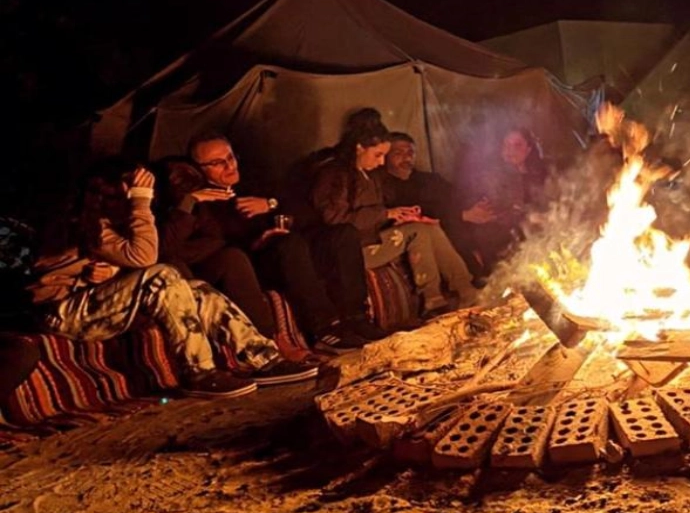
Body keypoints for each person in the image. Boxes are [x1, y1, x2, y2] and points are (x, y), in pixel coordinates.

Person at [26, 159, 316, 398]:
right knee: (163, 275)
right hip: (64, 311)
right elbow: (145, 258)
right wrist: (140, 202)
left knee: (197, 290)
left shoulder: (115, 223)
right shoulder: (89, 225)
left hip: (98, 300)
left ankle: (263, 358)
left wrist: (114, 271)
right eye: (131, 186)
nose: (141, 192)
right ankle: (199, 371)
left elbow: (136, 260)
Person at [162, 132, 385, 353]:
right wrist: (256, 241)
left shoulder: (252, 180)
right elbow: (200, 246)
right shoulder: (197, 200)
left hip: (292, 252)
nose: (229, 166)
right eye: (217, 163)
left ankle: (356, 318)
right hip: (256, 263)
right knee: (288, 244)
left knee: (342, 234)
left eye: (230, 157)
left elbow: (310, 214)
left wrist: (270, 204)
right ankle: (324, 329)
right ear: (199, 168)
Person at [315, 127, 477, 316]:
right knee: (418, 231)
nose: (381, 161)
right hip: (353, 250)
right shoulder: (336, 176)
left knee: (427, 227)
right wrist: (386, 214)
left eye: (384, 155)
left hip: (372, 237)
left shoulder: (370, 175)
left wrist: (400, 217)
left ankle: (466, 290)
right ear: (359, 148)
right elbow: (336, 219)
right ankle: (432, 299)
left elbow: (379, 213)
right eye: (378, 155)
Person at [457, 128, 548, 274]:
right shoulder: (488, 175)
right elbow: (488, 208)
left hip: (535, 233)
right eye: (506, 145)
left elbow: (549, 205)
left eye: (517, 145)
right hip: (500, 236)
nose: (511, 150)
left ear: (529, 149)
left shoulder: (539, 175)